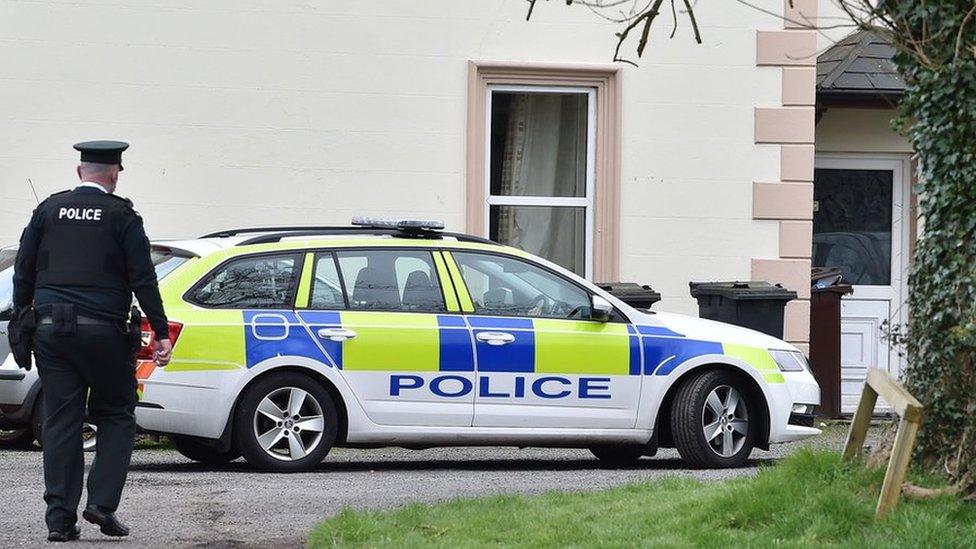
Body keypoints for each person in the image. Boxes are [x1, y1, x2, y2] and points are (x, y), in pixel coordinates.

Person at [11, 141, 172, 542]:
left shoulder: (48, 210)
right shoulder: (122, 215)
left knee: (61, 421)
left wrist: (21, 317)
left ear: (79, 171)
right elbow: (143, 278)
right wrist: (161, 331)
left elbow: (23, 270)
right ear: (115, 173)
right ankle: (101, 502)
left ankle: (59, 522)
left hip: (51, 332)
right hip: (104, 332)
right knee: (116, 413)